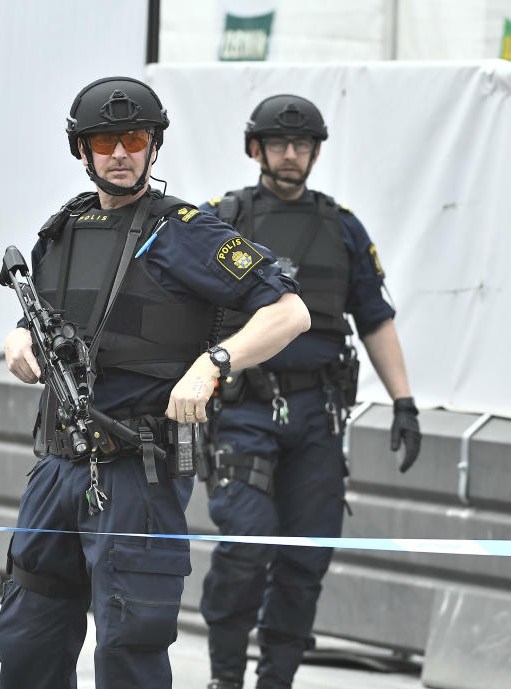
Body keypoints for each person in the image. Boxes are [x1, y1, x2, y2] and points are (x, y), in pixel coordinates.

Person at [0, 76, 311, 689]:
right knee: (28, 639)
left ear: (153, 147)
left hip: (136, 469)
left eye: (133, 138)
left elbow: (289, 311)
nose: (120, 153)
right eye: (105, 140)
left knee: (129, 648)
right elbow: (49, 322)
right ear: (81, 150)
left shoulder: (186, 231)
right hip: (58, 467)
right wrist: (18, 338)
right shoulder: (61, 232)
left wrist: (214, 362)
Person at [197, 94, 422, 689]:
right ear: (256, 149)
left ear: (316, 152)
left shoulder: (343, 227)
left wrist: (404, 401)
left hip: (318, 417)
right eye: (279, 144)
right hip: (244, 410)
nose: (291, 155)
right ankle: (225, 678)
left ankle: (277, 680)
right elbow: (179, 310)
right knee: (246, 545)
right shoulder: (223, 221)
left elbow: (374, 318)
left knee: (305, 558)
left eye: (302, 145)